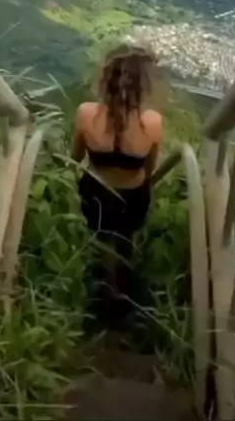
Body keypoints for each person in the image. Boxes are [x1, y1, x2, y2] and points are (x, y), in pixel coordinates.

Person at [71, 44, 163, 313]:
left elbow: (75, 157)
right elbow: (149, 169)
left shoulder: (86, 114)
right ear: (142, 85)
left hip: (95, 194)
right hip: (133, 197)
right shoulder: (153, 122)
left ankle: (103, 287)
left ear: (106, 79)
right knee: (126, 235)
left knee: (101, 236)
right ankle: (124, 288)